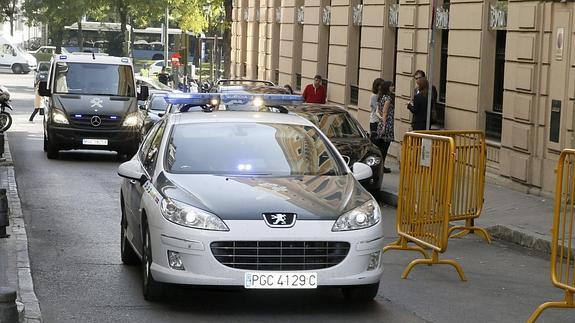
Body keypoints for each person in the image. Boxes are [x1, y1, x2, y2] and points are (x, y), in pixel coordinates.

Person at [376, 81, 394, 174]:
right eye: (391, 86)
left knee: (381, 147)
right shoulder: (388, 99)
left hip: (382, 124)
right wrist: (384, 126)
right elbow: (385, 113)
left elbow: (379, 111)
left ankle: (380, 165)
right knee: (384, 147)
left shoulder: (381, 98)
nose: (393, 87)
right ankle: (381, 166)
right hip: (387, 125)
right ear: (387, 87)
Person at [369, 78, 384, 144]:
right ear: (377, 86)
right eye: (381, 85)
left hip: (380, 121)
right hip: (375, 121)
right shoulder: (374, 96)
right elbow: (377, 109)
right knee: (375, 141)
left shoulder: (380, 95)